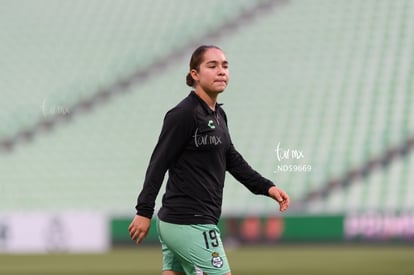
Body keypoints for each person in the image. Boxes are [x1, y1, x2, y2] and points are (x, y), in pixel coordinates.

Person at [128, 45, 290, 275]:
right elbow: (158, 163)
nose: (221, 71)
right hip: (189, 222)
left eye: (225, 66)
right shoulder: (183, 114)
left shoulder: (218, 114)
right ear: (195, 74)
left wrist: (267, 187)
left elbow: (232, 159)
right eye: (212, 66)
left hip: (181, 220)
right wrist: (144, 211)